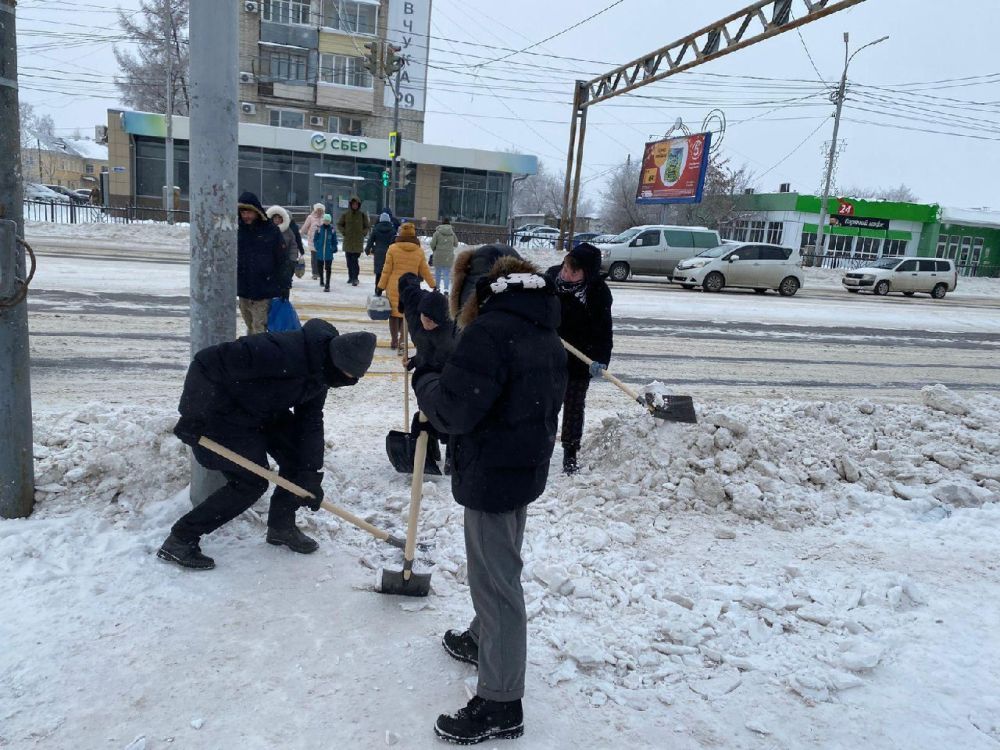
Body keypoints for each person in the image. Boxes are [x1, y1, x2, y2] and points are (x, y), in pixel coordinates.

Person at [412, 244, 567, 745]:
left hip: (493, 471)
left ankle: (501, 703)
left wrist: (427, 380)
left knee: (498, 584)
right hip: (522, 466)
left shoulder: (489, 333)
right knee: (500, 565)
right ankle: (483, 639)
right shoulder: (542, 326)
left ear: (470, 291)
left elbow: (455, 410)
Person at [157, 321, 378, 570]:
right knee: (251, 482)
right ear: (336, 359)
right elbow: (206, 361)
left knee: (298, 459)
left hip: (262, 411)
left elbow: (311, 422)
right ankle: (180, 539)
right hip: (220, 416)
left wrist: (309, 475)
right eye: (347, 375)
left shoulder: (322, 373)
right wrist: (191, 414)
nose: (346, 381)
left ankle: (281, 527)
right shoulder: (279, 351)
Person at [545, 243, 613, 474]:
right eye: (565, 268)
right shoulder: (550, 279)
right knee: (545, 405)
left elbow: (604, 331)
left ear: (588, 273)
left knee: (574, 406)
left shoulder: (598, 294)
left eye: (574, 272)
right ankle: (541, 447)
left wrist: (601, 359)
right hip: (550, 355)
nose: (566, 274)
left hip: (580, 356)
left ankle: (570, 454)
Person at [375, 222, 435, 355]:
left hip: (394, 286)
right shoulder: (419, 251)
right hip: (411, 287)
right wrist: (433, 285)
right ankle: (403, 341)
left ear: (401, 233)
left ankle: (394, 340)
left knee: (393, 315)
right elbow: (424, 270)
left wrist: (380, 287)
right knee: (406, 315)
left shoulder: (392, 248)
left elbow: (386, 270)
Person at [237, 191, 286, 336]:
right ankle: (253, 353)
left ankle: (258, 355)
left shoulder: (271, 231)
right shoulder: (238, 231)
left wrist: (283, 285)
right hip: (244, 288)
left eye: (249, 212)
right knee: (250, 326)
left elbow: (281, 259)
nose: (245, 216)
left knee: (259, 328)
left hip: (264, 288)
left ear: (257, 211)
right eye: (242, 212)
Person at [266, 205, 304, 294]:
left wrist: (292, 260)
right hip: (269, 263)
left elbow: (294, 245)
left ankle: (283, 302)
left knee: (284, 286)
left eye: (279, 218)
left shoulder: (288, 231)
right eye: (275, 217)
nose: (277, 220)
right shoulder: (267, 230)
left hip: (285, 263)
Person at [337, 196, 370, 286]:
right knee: (349, 261)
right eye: (353, 204)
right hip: (348, 241)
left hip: (357, 242)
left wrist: (363, 233)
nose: (354, 206)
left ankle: (355, 278)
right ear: (351, 205)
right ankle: (350, 277)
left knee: (355, 261)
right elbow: (339, 224)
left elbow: (367, 226)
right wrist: (344, 232)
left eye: (356, 204)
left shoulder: (362, 215)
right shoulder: (346, 214)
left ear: (358, 205)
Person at [364, 212, 396, 293]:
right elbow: (395, 243)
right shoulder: (392, 230)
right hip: (390, 253)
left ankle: (378, 290)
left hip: (378, 253)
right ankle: (388, 290)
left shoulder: (376, 229)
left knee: (379, 272)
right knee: (388, 272)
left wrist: (368, 249)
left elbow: (370, 241)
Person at [430, 217, 458, 293]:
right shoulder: (452, 234)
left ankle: (437, 288)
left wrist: (435, 250)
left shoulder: (437, 233)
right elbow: (456, 244)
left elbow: (432, 244)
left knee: (438, 272)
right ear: (449, 224)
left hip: (438, 255)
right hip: (448, 256)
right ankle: (446, 289)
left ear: (441, 224)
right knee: (446, 273)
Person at [301, 202, 326, 280]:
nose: (319, 212)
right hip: (312, 241)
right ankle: (315, 273)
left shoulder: (325, 218)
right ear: (315, 210)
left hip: (322, 242)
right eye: (318, 210)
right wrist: (299, 233)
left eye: (321, 210)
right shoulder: (310, 217)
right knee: (314, 258)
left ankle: (320, 272)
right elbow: (305, 227)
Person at [313, 213, 338, 292]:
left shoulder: (332, 230)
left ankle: (327, 284)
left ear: (330, 221)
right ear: (323, 220)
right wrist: (317, 246)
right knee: (320, 267)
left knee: (328, 268)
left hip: (328, 253)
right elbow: (315, 239)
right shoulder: (319, 229)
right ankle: (321, 280)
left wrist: (333, 248)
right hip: (320, 252)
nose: (326, 222)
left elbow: (335, 241)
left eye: (328, 221)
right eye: (325, 220)